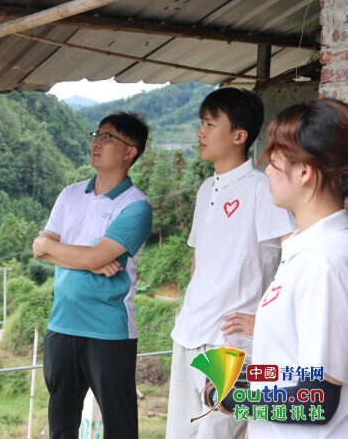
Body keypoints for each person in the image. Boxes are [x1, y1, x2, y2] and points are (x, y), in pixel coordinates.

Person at [165, 88, 296, 439]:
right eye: (201, 123)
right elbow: (199, 258)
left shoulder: (262, 189)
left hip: (229, 341)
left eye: (210, 124)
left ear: (239, 136)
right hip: (189, 332)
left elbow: (295, 258)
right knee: (182, 434)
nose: (200, 132)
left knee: (219, 433)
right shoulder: (206, 188)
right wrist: (187, 305)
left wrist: (267, 320)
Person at [219, 99, 347, 437]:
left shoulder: (325, 262)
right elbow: (294, 368)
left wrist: (237, 401)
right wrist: (244, 379)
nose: (267, 172)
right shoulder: (305, 251)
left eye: (274, 161)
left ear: (303, 172)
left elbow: (318, 398)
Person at [32, 112, 153, 439]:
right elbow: (38, 248)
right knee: (61, 427)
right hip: (61, 326)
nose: (96, 142)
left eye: (107, 137)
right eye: (96, 135)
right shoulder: (70, 194)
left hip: (109, 331)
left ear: (130, 152)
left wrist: (76, 254)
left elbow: (61, 249)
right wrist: (88, 260)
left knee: (120, 428)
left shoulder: (136, 206)